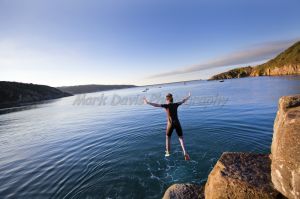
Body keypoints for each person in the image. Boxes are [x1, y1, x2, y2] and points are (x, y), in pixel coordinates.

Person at [144, 92, 191, 160]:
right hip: (177, 123)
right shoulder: (176, 104)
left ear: (167, 99)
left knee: (168, 138)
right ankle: (184, 152)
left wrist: (147, 102)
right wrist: (189, 96)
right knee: (180, 138)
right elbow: (183, 100)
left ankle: (168, 153)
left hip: (170, 124)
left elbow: (156, 105)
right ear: (172, 99)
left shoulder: (166, 106)